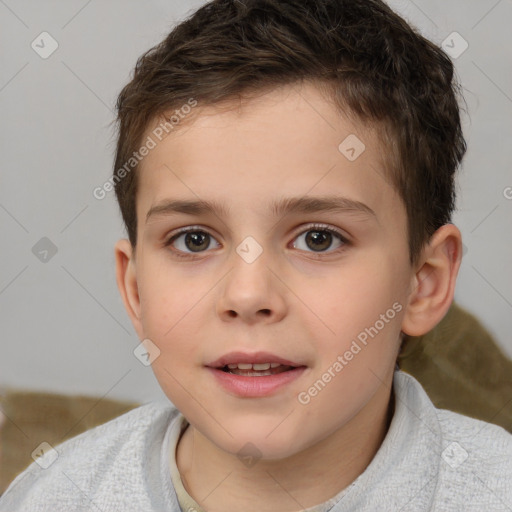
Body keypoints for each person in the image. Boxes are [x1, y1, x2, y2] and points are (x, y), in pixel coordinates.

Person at [2, 0, 511, 510]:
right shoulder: (55, 496)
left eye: (318, 238)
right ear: (136, 291)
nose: (248, 296)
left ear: (423, 282)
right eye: (194, 240)